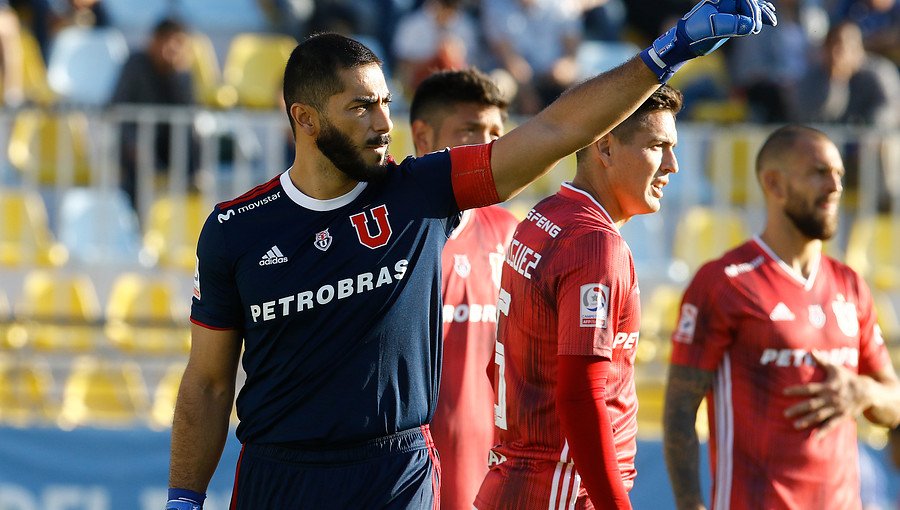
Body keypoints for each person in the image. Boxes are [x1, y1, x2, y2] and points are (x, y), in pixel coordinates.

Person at [165, 1, 776, 507]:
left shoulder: (421, 191)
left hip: (391, 472)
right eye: (359, 107)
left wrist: (662, 56)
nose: (383, 122)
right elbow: (209, 382)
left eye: (384, 102)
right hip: (280, 476)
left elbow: (554, 133)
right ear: (303, 119)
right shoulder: (235, 229)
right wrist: (184, 498)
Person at [663, 124, 900, 510]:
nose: (835, 186)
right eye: (819, 173)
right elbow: (678, 412)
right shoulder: (725, 283)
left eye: (839, 174)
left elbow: (894, 402)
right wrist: (691, 505)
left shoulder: (850, 285)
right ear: (774, 184)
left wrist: (862, 393)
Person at [475, 83, 684, 510]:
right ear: (605, 147)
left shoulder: (542, 215)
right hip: (561, 490)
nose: (672, 165)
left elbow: (498, 366)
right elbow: (580, 396)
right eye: (657, 146)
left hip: (515, 480)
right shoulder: (595, 244)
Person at [408, 68, 519, 510]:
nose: (489, 147)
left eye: (496, 133)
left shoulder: (513, 236)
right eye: (470, 131)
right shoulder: (386, 233)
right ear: (422, 137)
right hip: (397, 480)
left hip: (487, 478)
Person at [110, 17, 197, 206]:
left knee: (194, 151)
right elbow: (118, 110)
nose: (173, 48)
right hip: (133, 146)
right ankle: (137, 226)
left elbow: (188, 117)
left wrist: (176, 76)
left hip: (166, 145)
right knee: (135, 173)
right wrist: (134, 145)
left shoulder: (183, 74)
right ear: (154, 41)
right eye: (168, 41)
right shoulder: (135, 65)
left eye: (179, 43)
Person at [792, 21, 900, 128]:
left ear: (858, 49)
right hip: (830, 140)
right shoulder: (813, 76)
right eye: (830, 45)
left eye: (841, 47)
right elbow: (809, 117)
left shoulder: (879, 73)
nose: (835, 53)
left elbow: (885, 115)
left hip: (872, 142)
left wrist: (860, 130)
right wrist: (836, 81)